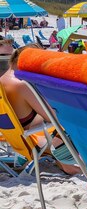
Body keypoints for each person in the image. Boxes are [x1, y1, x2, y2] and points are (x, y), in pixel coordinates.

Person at [0, 45, 81, 175]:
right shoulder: (21, 84)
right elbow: (52, 117)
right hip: (33, 137)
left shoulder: (3, 80)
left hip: (14, 137)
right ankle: (68, 165)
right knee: (68, 118)